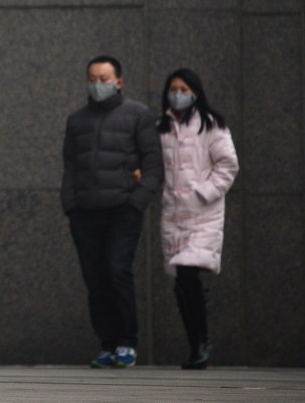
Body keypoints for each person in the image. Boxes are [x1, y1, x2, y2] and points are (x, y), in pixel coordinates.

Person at [61, 55, 164, 368]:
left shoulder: (138, 115)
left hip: (122, 209)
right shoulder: (77, 121)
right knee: (95, 279)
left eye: (104, 79)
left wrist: (136, 201)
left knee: (117, 270)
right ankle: (107, 344)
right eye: (92, 79)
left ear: (119, 82)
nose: (97, 85)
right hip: (85, 213)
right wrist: (71, 205)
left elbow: (153, 166)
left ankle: (126, 343)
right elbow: (70, 166)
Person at [157, 68, 238, 370]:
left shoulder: (212, 125)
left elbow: (228, 166)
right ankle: (197, 344)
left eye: (184, 88)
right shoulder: (162, 127)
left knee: (189, 274)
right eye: (173, 88)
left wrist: (203, 193)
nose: (178, 94)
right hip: (174, 216)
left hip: (203, 215)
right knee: (182, 282)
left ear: (195, 92)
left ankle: (201, 344)